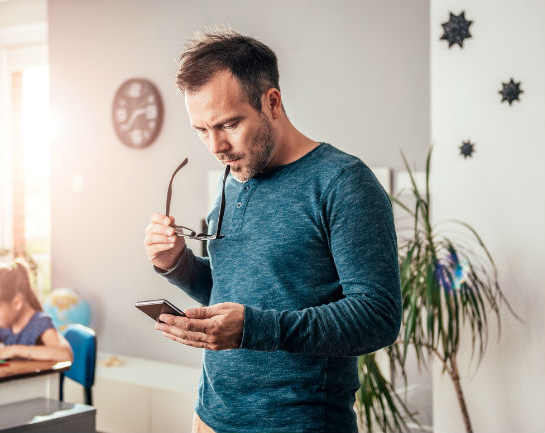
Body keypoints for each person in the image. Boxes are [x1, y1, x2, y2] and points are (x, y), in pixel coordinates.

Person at [143, 30, 401, 433]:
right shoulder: (232, 176)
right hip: (211, 417)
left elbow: (378, 317)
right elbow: (232, 291)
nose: (216, 146)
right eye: (202, 130)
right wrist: (177, 264)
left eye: (229, 124)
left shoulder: (343, 183)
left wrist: (256, 328)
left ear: (272, 102)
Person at [0, 260, 73, 362]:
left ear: (17, 303)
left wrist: (13, 350)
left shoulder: (40, 323)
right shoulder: (7, 325)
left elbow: (65, 354)